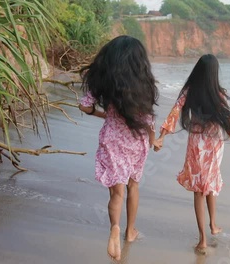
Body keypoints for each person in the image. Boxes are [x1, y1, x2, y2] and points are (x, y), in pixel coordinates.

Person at [154, 54, 230, 253]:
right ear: (214, 73)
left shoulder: (189, 91)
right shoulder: (218, 94)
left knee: (201, 190)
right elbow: (228, 122)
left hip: (197, 145)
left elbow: (174, 113)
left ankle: (209, 229)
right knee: (208, 185)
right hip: (214, 145)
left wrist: (162, 137)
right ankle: (206, 233)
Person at [78, 35, 159, 261]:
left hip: (112, 139)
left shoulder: (106, 82)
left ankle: (114, 227)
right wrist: (154, 140)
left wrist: (102, 114)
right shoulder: (144, 86)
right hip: (136, 140)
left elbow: (84, 105)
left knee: (116, 192)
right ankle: (130, 231)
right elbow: (148, 119)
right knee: (133, 185)